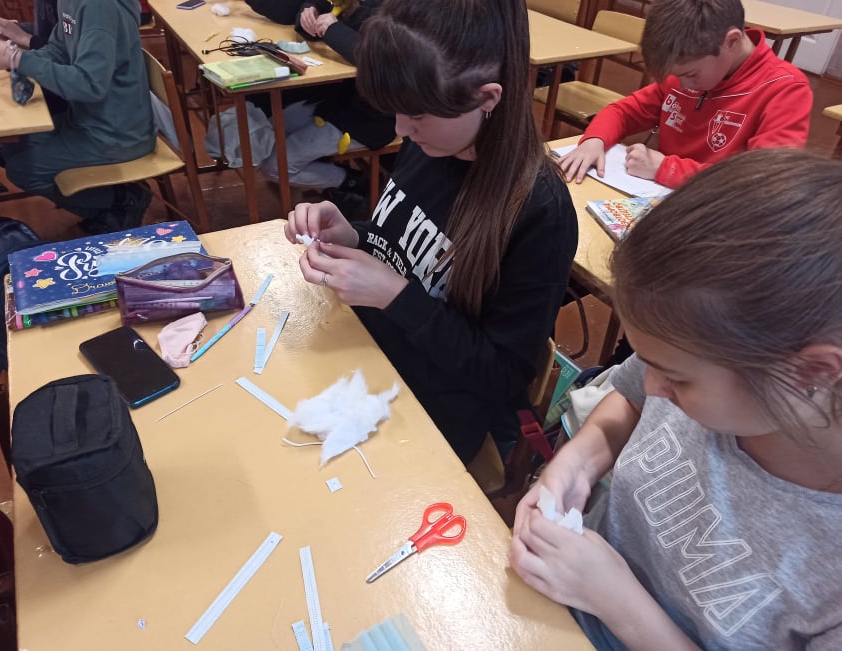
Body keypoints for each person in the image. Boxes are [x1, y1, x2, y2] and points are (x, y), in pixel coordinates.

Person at [509, 148, 842, 650]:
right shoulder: (692, 356)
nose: (652, 387)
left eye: (678, 381)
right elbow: (629, 401)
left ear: (810, 372)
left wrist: (616, 601)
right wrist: (578, 463)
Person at [283, 0, 578, 463]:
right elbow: (403, 248)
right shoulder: (433, 143)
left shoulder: (539, 211)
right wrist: (355, 237)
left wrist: (394, 296)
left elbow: (501, 374)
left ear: (487, 99)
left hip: (433, 412)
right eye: (397, 112)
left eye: (416, 115)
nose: (401, 128)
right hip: (371, 360)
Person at [559, 0, 812, 189]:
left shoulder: (785, 90)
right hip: (662, 197)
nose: (680, 84)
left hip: (716, 216)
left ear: (732, 42)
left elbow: (763, 184)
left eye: (690, 74)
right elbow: (623, 112)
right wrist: (595, 140)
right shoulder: (687, 69)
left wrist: (666, 169)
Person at [0, 0, 154, 234]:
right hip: (89, 119)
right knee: (10, 148)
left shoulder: (98, 8)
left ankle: (122, 200)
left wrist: (16, 58)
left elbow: (90, 85)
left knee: (23, 170)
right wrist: (11, 48)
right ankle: (108, 205)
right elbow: (58, 49)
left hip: (117, 134)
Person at [258, 0, 394, 205]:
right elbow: (324, 5)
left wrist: (332, 29)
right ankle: (330, 178)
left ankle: (350, 182)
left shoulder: (396, 12)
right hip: (335, 101)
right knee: (268, 133)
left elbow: (377, 58)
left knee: (275, 166)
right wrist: (310, 12)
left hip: (370, 119)